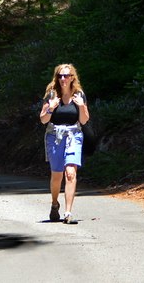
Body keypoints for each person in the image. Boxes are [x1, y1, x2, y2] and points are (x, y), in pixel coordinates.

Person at [38, 63, 90, 224]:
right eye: (60, 76)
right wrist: (51, 108)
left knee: (70, 173)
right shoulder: (52, 95)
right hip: (54, 136)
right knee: (57, 175)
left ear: (72, 78)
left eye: (66, 76)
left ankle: (68, 212)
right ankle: (55, 204)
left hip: (74, 135)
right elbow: (43, 119)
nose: (63, 79)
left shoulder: (79, 95)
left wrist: (81, 106)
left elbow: (84, 120)